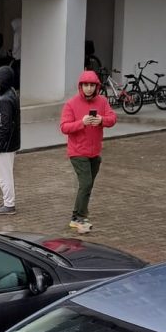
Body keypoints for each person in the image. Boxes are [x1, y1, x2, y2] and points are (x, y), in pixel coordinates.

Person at [59, 70, 117, 234]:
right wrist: (82, 122)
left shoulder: (102, 101)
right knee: (85, 184)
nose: (89, 88)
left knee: (87, 185)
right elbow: (64, 127)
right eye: (86, 85)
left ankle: (76, 216)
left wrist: (102, 120)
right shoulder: (71, 104)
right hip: (78, 152)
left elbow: (113, 118)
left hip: (95, 152)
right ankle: (80, 218)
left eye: (92, 85)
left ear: (97, 86)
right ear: (81, 86)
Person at [0, 65, 21, 216]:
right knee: (6, 173)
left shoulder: (4, 100)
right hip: (10, 143)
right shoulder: (11, 94)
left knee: (4, 176)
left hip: (5, 145)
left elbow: (4, 125)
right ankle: (8, 202)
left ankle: (9, 204)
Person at [9, 18, 22, 91]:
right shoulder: (24, 30)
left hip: (17, 56)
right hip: (23, 56)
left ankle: (16, 86)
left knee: (15, 72)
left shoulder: (17, 33)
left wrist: (13, 53)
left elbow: (16, 45)